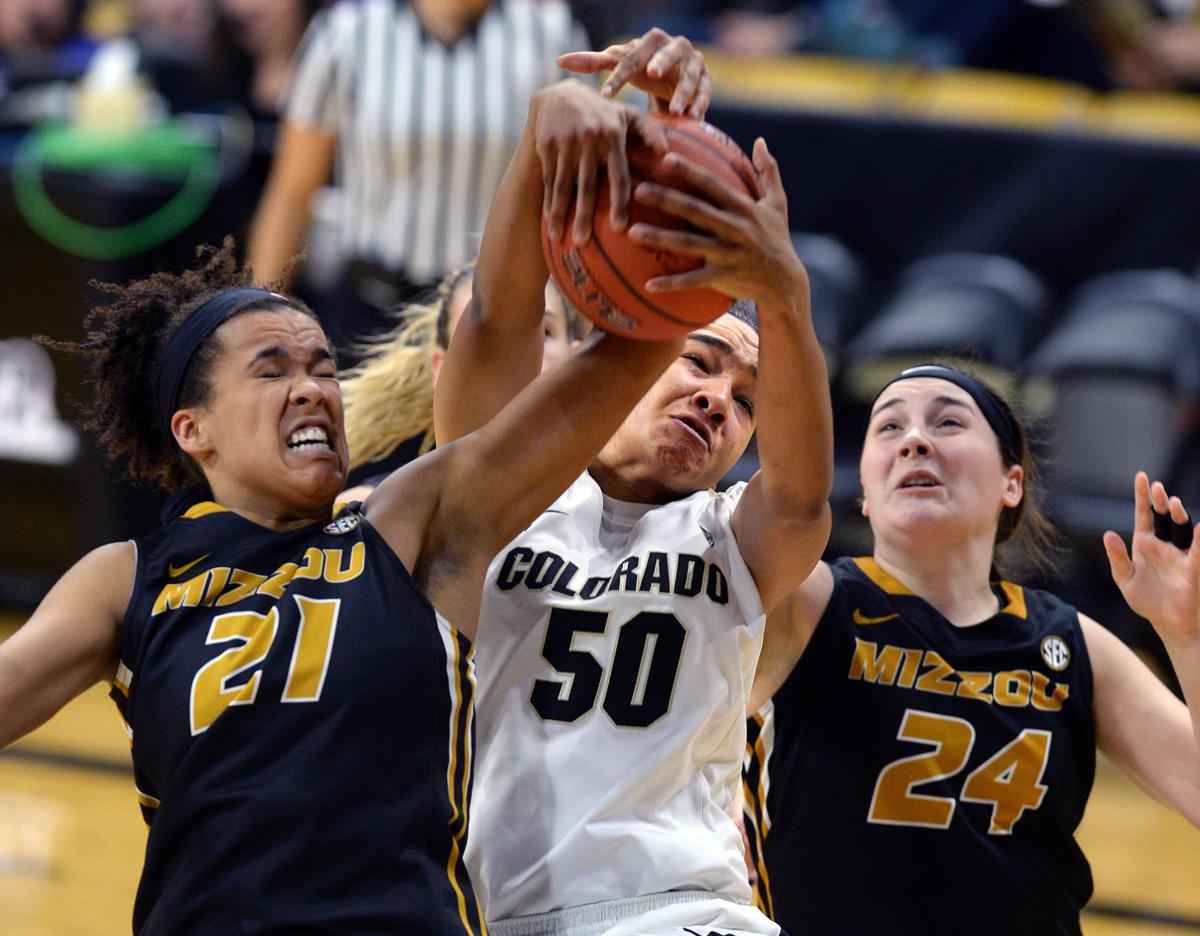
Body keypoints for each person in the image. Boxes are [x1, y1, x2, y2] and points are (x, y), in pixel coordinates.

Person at [0, 83, 686, 933]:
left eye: (322, 366)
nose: (312, 389)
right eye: (272, 369)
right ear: (194, 429)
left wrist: (614, 160)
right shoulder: (126, 579)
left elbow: (529, 329)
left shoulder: (407, 525)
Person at [434, 32, 834, 936]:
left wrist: (784, 292)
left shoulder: (737, 541)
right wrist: (551, 128)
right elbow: (499, 322)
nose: (716, 399)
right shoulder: (488, 500)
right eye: (697, 360)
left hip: (687, 910)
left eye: (746, 400)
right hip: (504, 915)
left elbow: (804, 497)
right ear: (605, 355)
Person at [742, 363, 1200, 936]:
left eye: (948, 422)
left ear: (1012, 482)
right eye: (888, 428)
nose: (914, 439)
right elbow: (780, 501)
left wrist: (1187, 636)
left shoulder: (1070, 643)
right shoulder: (803, 603)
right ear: (863, 491)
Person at [246, 0, 591, 362]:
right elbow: (292, 195)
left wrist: (588, 345)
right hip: (372, 314)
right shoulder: (347, 32)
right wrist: (255, 333)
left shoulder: (552, 34)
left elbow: (577, 206)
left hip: (495, 316)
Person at [338, 261, 580, 489]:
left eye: (544, 331)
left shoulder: (610, 481)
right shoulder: (374, 509)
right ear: (440, 371)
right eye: (483, 336)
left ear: (577, 357)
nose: (518, 352)